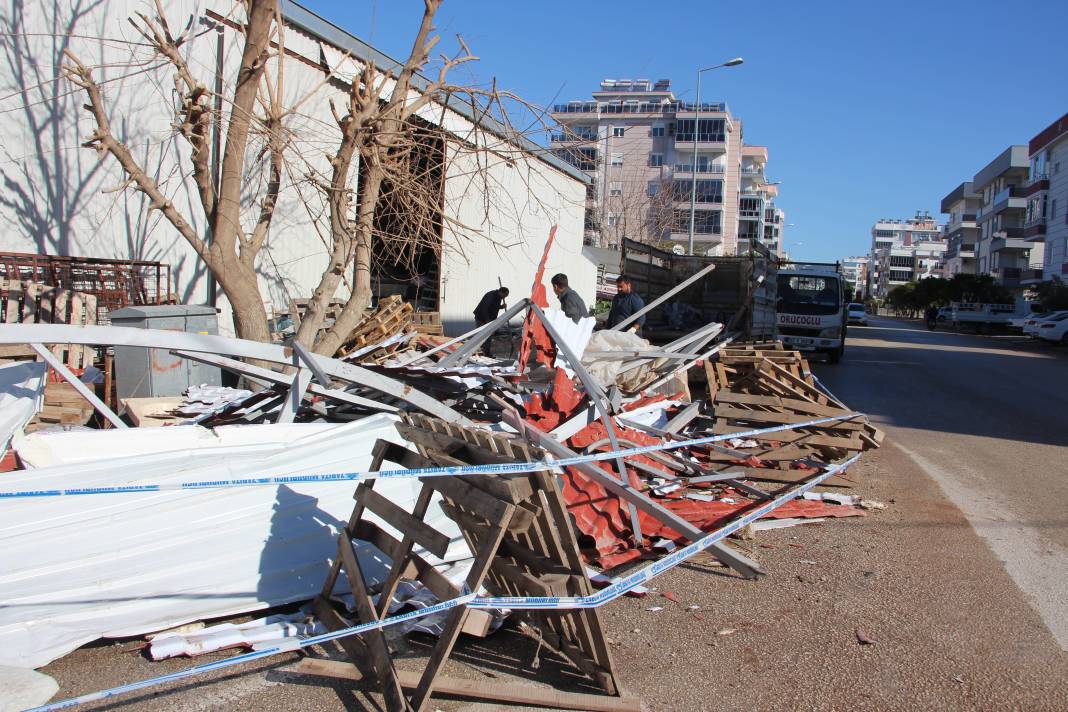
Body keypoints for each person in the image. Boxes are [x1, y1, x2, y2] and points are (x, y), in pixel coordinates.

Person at [474, 286, 509, 356]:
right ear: (501, 292)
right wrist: (487, 320)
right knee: (482, 335)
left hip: (489, 319)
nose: (504, 297)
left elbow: (493, 306)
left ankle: (487, 353)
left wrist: (501, 307)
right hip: (481, 318)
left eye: (506, 296)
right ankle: (479, 352)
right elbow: (485, 308)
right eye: (504, 295)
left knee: (489, 336)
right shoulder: (491, 295)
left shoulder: (499, 297)